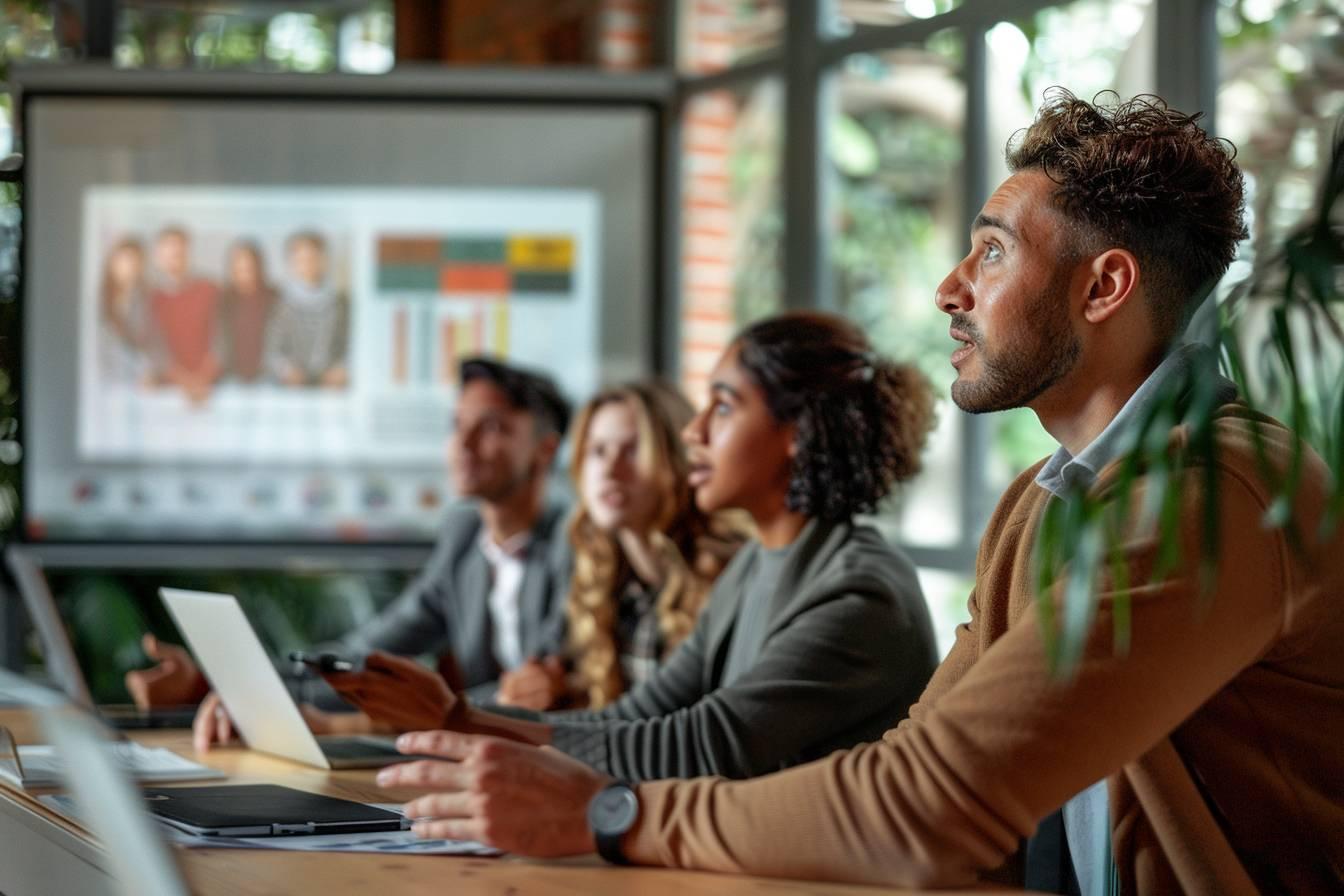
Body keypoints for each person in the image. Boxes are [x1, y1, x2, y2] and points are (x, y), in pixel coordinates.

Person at [370, 92, 1344, 895]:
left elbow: (928, 801)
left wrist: (602, 812)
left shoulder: (1216, 492)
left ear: (1105, 287)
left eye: (994, 250)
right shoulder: (1038, 506)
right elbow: (919, 750)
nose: (950, 288)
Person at [328, 310, 940, 783]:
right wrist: (460, 721)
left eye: (723, 407)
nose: (694, 431)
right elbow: (640, 716)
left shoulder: (859, 590)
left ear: (798, 433)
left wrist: (460, 721)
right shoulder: (757, 564)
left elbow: (700, 744)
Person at [124, 358, 575, 734]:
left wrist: (441, 711)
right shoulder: (464, 537)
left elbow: (545, 690)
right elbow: (364, 655)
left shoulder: (573, 544)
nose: (463, 444)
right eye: (457, 425)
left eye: (491, 427)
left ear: (545, 451)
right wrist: (221, 683)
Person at [495, 381, 747, 711]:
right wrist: (547, 689)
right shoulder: (595, 568)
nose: (610, 471)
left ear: (676, 458)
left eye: (632, 450)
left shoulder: (731, 571)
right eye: (598, 451)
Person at [144, 226, 221, 404]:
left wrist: (203, 380)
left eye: (179, 253)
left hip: (211, 391)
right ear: (158, 257)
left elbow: (221, 341)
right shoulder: (152, 299)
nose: (175, 259)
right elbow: (155, 350)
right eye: (169, 254)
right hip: (168, 395)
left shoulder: (210, 290)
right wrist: (186, 383)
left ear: (188, 253)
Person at [266, 230, 348, 388]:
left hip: (331, 389)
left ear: (324, 259)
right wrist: (286, 370)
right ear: (292, 264)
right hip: (294, 388)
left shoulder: (340, 302)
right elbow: (272, 353)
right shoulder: (281, 305)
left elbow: (350, 346)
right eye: (301, 260)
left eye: (313, 258)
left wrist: (341, 369)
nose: (307, 265)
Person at [217, 240, 276, 383]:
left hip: (268, 376)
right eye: (239, 267)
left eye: (249, 267)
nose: (244, 271)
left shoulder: (273, 297)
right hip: (231, 377)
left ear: (258, 266)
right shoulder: (223, 299)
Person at [97, 237, 151, 383]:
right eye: (125, 259)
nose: (130, 266)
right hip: (103, 372)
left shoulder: (146, 299)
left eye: (136, 260)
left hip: (134, 374)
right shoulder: (98, 298)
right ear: (112, 262)